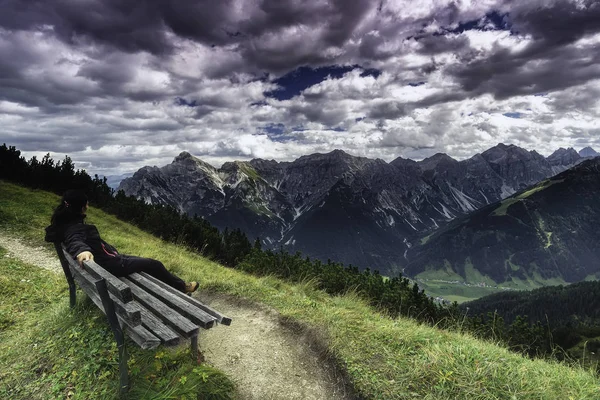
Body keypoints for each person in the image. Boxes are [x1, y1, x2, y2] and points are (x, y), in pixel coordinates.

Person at [45, 189, 198, 294]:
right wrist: (82, 251)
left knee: (146, 262)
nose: (88, 205)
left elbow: (74, 237)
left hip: (109, 260)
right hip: (112, 266)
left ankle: (179, 285)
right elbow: (75, 240)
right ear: (82, 207)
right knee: (154, 264)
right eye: (87, 203)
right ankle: (182, 287)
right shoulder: (74, 228)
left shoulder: (65, 223)